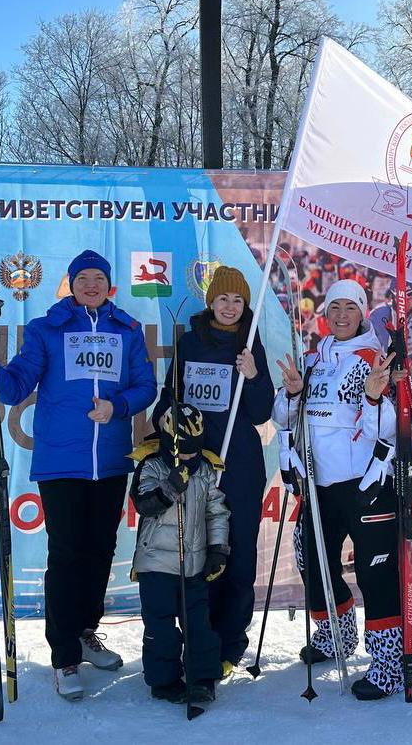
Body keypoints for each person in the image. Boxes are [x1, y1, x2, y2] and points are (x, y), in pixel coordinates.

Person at [0, 249, 157, 701]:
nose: (91, 285)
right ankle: (64, 655)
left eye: (99, 278)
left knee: (100, 552)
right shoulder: (46, 330)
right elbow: (15, 386)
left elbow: (145, 384)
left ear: (109, 285)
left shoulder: (126, 330)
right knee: (68, 555)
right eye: (83, 278)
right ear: (70, 285)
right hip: (61, 463)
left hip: (111, 462)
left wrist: (119, 406)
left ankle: (86, 633)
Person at [273, 279, 401, 700]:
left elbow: (382, 430)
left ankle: (388, 662)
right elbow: (284, 418)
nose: (342, 315)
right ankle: (336, 635)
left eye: (350, 307)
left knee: (375, 572)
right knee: (314, 561)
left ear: (362, 312)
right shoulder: (313, 359)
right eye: (334, 308)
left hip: (365, 484)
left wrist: (374, 397)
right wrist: (292, 395)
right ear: (324, 314)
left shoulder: (371, 358)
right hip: (318, 485)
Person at [151, 266, 274, 677]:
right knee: (200, 556)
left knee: (237, 555)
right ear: (211, 301)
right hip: (198, 467)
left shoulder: (250, 342)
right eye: (223, 298)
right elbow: (165, 408)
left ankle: (230, 645)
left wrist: (253, 376)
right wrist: (176, 432)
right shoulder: (191, 343)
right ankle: (200, 641)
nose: (230, 306)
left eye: (238, 299)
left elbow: (261, 412)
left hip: (240, 466)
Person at [129, 401, 230, 704]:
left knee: (198, 623)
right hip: (156, 565)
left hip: (194, 564)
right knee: (161, 626)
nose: (189, 458)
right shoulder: (151, 465)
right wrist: (170, 487)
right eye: (183, 452)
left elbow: (217, 512)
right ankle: (163, 680)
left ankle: (201, 677)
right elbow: (144, 504)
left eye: (194, 451)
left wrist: (218, 551)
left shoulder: (205, 470)